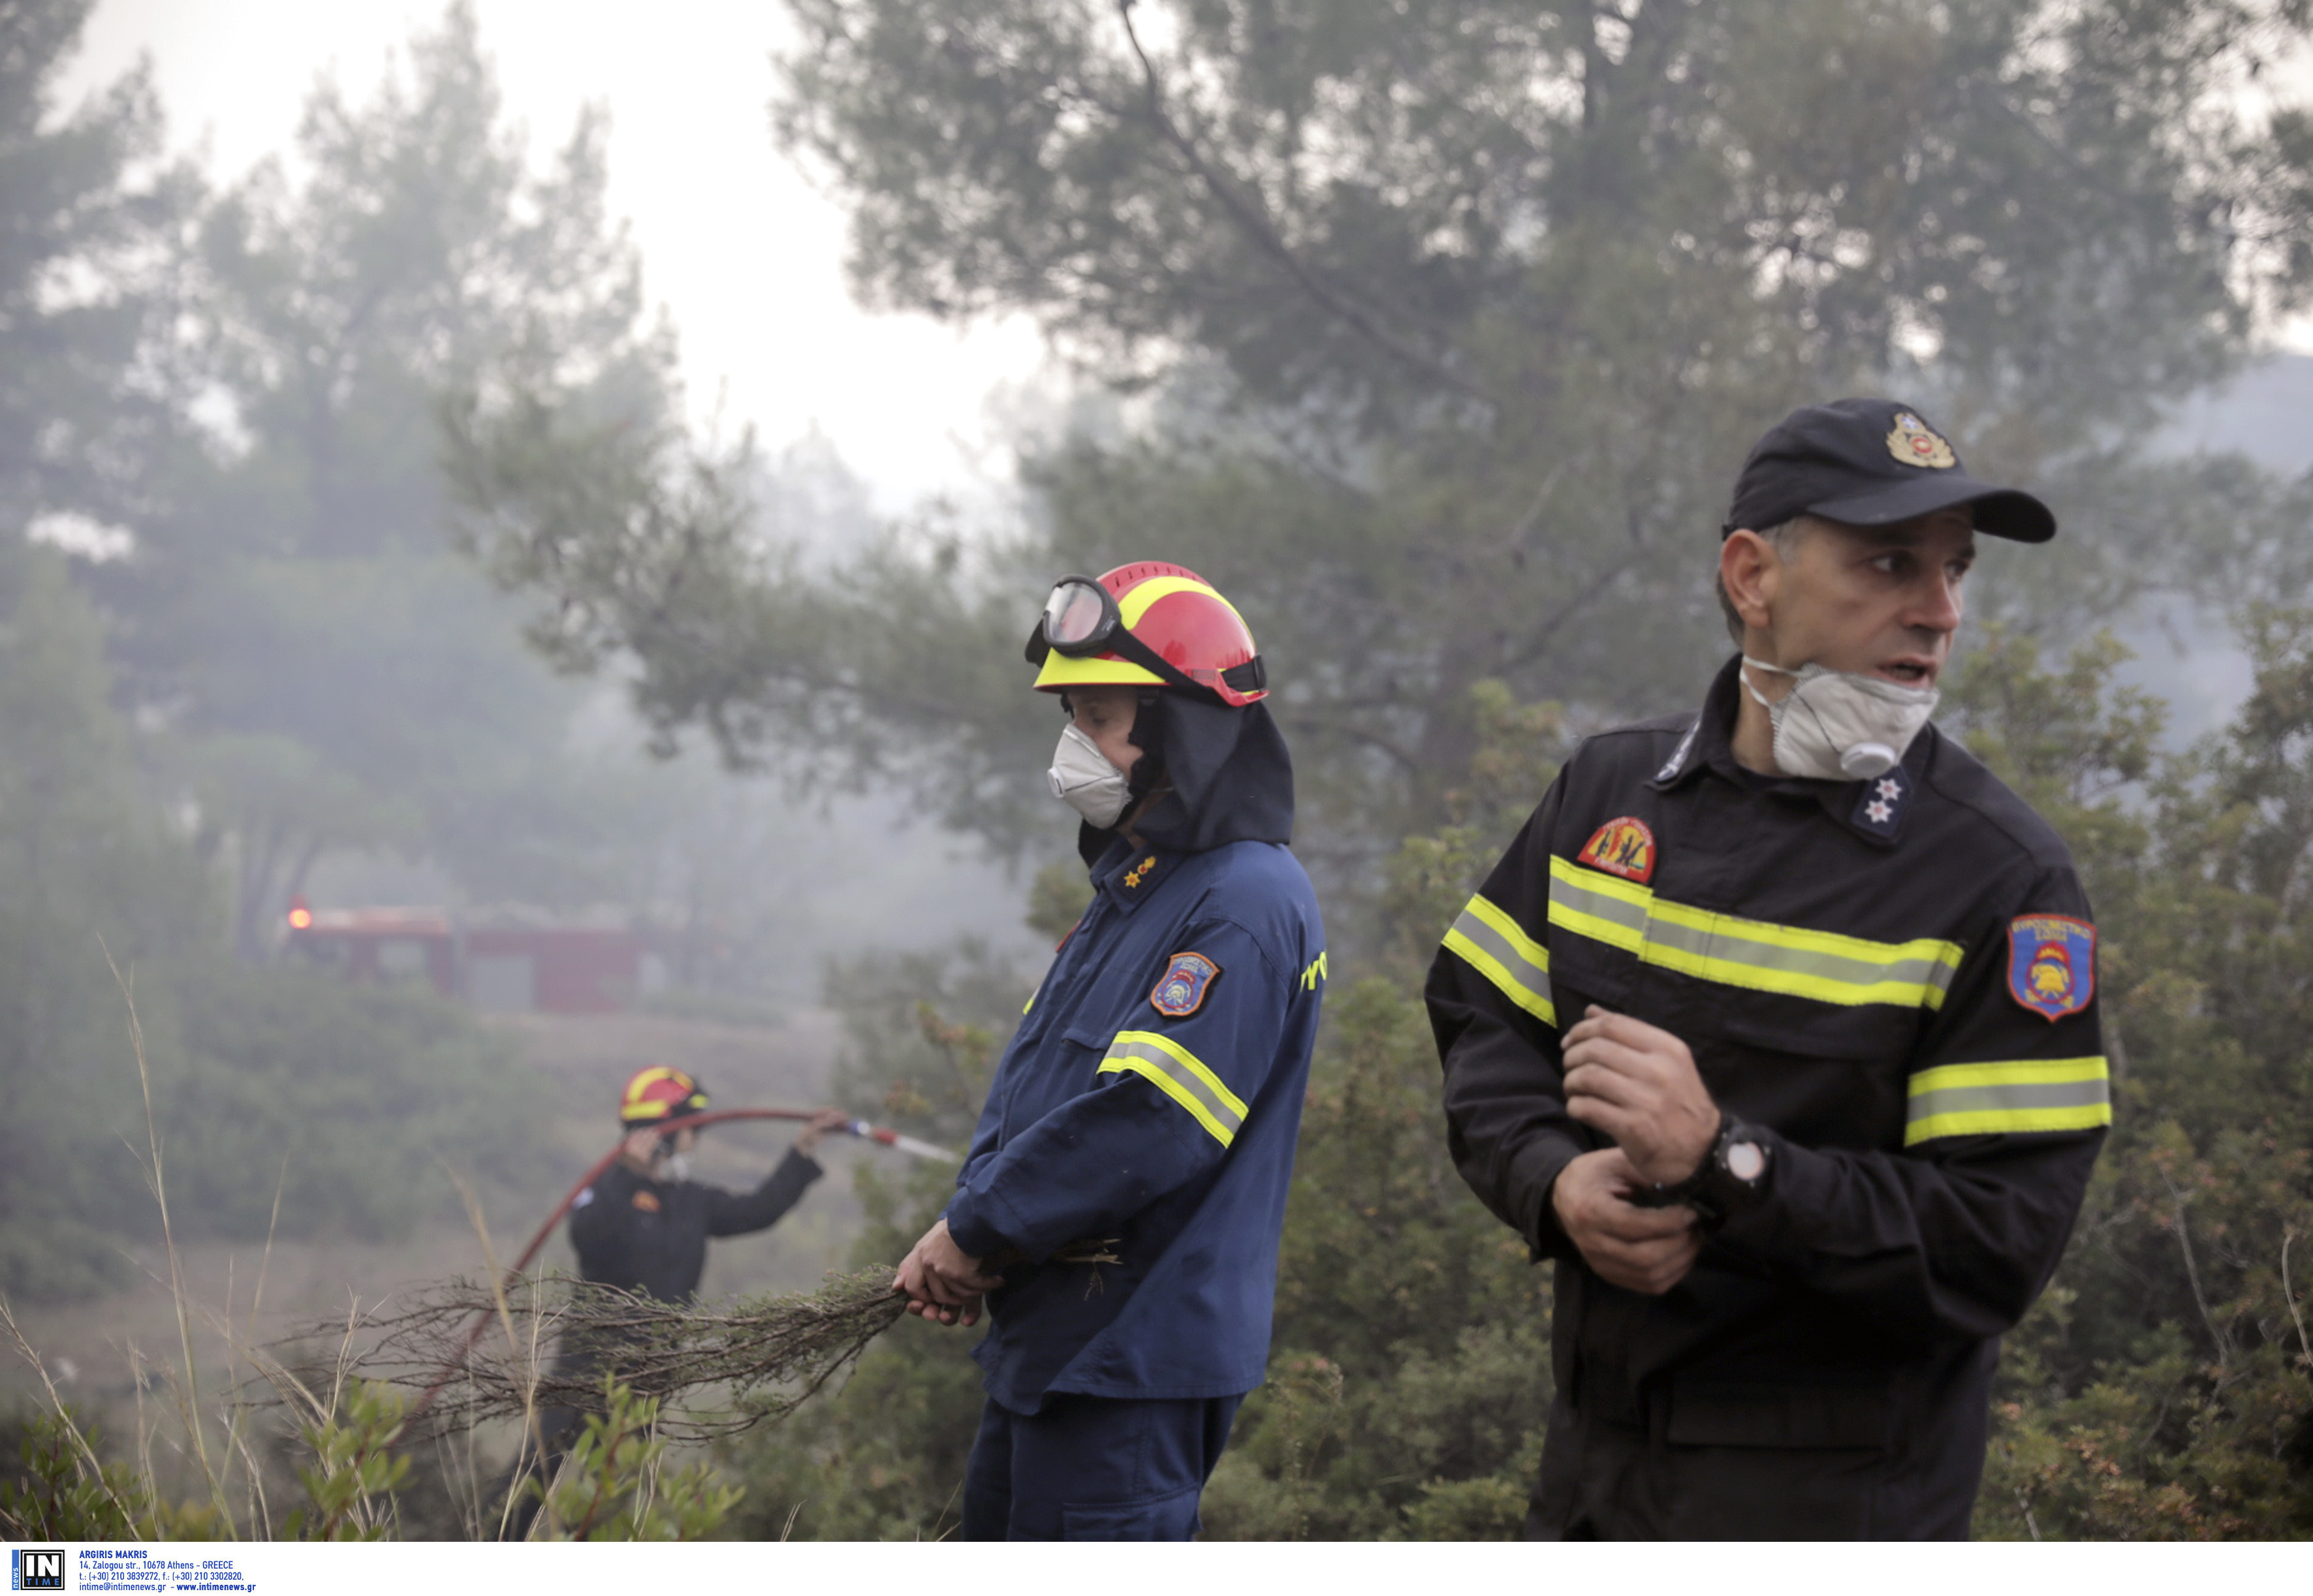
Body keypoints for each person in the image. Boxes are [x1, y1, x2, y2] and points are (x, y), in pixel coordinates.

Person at [1427, 398, 2111, 1540]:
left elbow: (1998, 1245)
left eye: (1953, 570)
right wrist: (1549, 1181)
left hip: (1831, 1513)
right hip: (1588, 1487)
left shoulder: (1998, 880)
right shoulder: (1607, 794)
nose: (1937, 612)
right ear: (1751, 574)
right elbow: (1479, 1024)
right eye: (1889, 562)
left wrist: (1726, 1163)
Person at [893, 562, 1327, 1541]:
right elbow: (1041, 1086)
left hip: (1130, 1365)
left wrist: (976, 1230)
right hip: (1053, 1347)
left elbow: (1150, 1116)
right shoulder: (1136, 890)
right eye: (1073, 715)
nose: (1073, 746)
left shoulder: (1245, 903)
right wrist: (976, 1228)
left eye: (1097, 716)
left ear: (1184, 728)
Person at [499, 1066, 847, 1535]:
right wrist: (626, 1174)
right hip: (585, 1368)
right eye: (691, 1130)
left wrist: (804, 1146)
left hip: (649, 1374)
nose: (696, 1140)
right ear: (659, 1134)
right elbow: (587, 1233)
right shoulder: (604, 1189)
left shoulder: (690, 1200)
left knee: (615, 1494)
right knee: (536, 1472)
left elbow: (757, 1210)